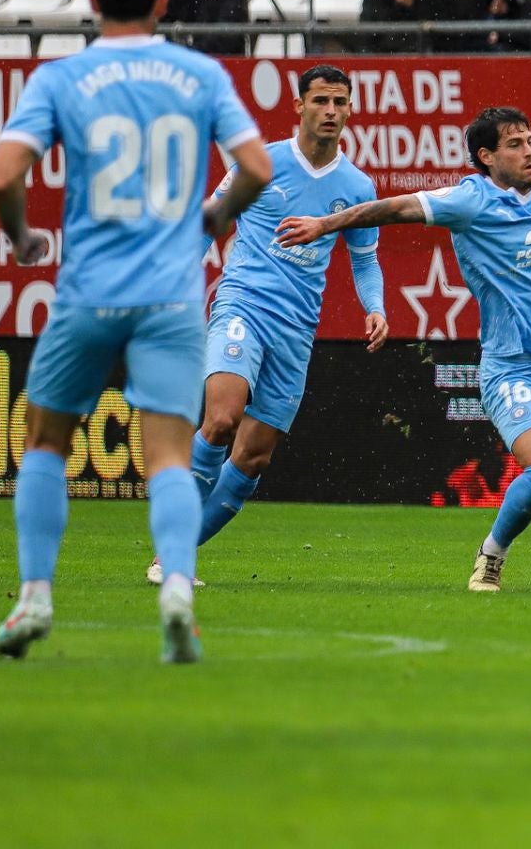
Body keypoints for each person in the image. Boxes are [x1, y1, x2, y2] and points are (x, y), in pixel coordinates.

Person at [0, 0, 273, 661]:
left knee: (45, 444)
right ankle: (177, 585)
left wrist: (21, 236)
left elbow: (3, 173)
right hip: (171, 300)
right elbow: (257, 168)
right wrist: (214, 217)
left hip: (88, 294)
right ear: (161, 3)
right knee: (171, 457)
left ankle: (34, 599)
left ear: (89, 4)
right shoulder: (199, 73)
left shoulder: (62, 78)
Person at [278, 109, 531, 594]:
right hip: (512, 371)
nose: (530, 150)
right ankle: (491, 557)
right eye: (515, 144)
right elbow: (395, 208)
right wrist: (325, 223)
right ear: (486, 156)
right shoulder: (469, 201)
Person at [142, 65, 387, 584]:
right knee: (223, 417)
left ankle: (172, 558)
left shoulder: (357, 185)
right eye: (320, 100)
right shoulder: (260, 164)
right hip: (243, 306)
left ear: (350, 110)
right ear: (298, 106)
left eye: (340, 102)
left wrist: (376, 306)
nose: (331, 111)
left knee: (252, 459)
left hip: (297, 330)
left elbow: (364, 259)